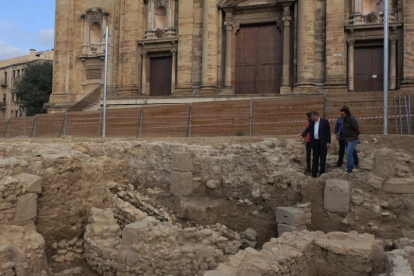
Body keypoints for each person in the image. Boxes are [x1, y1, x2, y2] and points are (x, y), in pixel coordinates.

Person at [299, 111, 331, 178]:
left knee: (322, 158)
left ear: (317, 115)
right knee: (315, 158)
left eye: (313, 116)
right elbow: (307, 130)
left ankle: (322, 173)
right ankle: (314, 173)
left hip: (322, 143)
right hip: (315, 143)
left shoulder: (324, 121)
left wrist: (328, 142)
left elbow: (328, 132)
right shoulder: (312, 123)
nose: (311, 118)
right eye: (311, 116)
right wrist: (302, 136)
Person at [341, 107, 361, 173]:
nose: (342, 115)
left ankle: (350, 168)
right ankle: (356, 163)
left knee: (348, 153)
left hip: (353, 138)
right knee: (352, 152)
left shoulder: (352, 119)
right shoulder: (344, 119)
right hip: (347, 138)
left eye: (343, 114)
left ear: (347, 114)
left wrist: (355, 136)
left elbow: (358, 129)